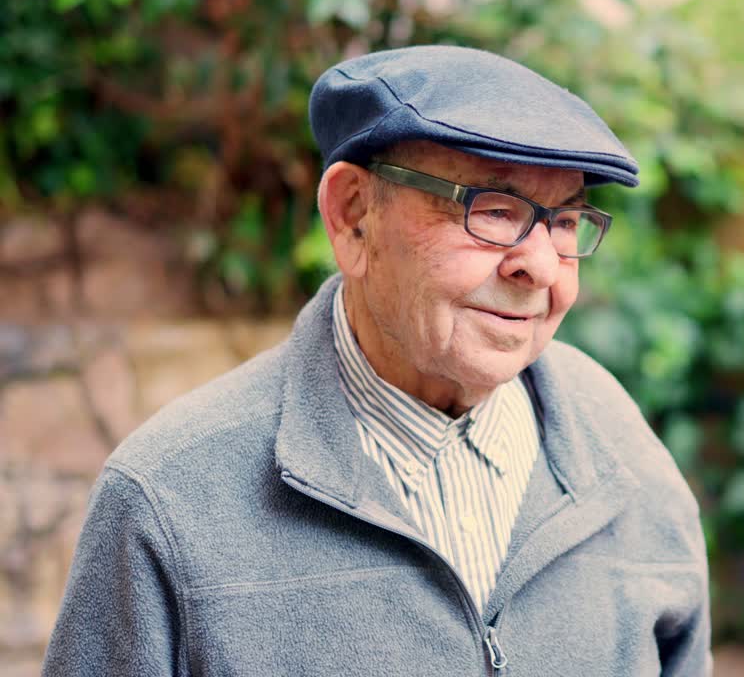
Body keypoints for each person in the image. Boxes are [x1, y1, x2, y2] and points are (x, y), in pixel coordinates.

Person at [43, 46, 710, 676]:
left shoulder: (620, 451)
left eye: (564, 223)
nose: (539, 266)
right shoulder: (169, 497)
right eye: (493, 208)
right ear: (354, 217)